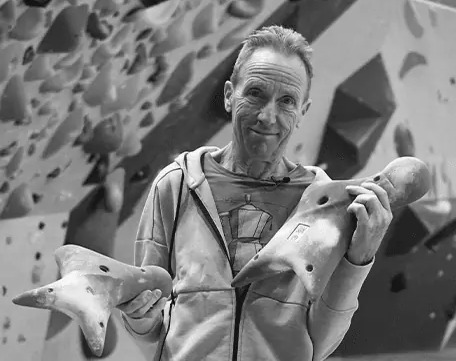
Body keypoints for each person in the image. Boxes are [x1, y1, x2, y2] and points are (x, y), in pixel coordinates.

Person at [118, 25, 393, 361]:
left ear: (303, 111)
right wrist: (139, 316)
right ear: (229, 95)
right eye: (255, 93)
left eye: (287, 101)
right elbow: (152, 327)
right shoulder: (175, 186)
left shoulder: (325, 208)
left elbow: (322, 341)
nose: (267, 116)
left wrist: (358, 260)